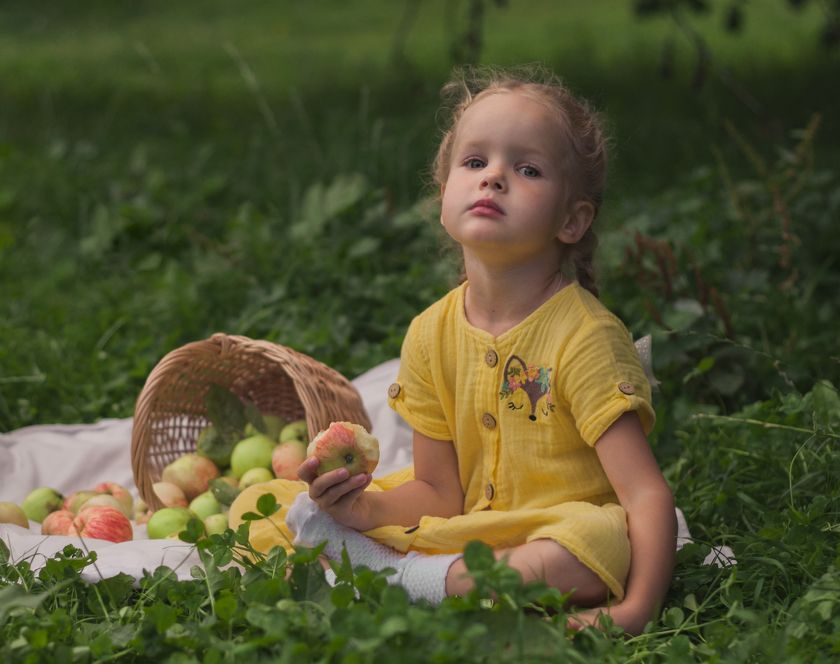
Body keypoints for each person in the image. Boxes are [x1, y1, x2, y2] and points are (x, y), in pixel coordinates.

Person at [228, 64, 676, 635]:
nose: (493, 177)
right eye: (474, 162)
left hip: (553, 529)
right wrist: (358, 509)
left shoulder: (585, 337)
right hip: (460, 532)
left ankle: (392, 579)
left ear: (572, 220)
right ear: (444, 194)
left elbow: (645, 494)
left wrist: (636, 610)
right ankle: (407, 573)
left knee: (588, 546)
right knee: (265, 506)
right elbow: (438, 492)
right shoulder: (430, 332)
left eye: (528, 168)